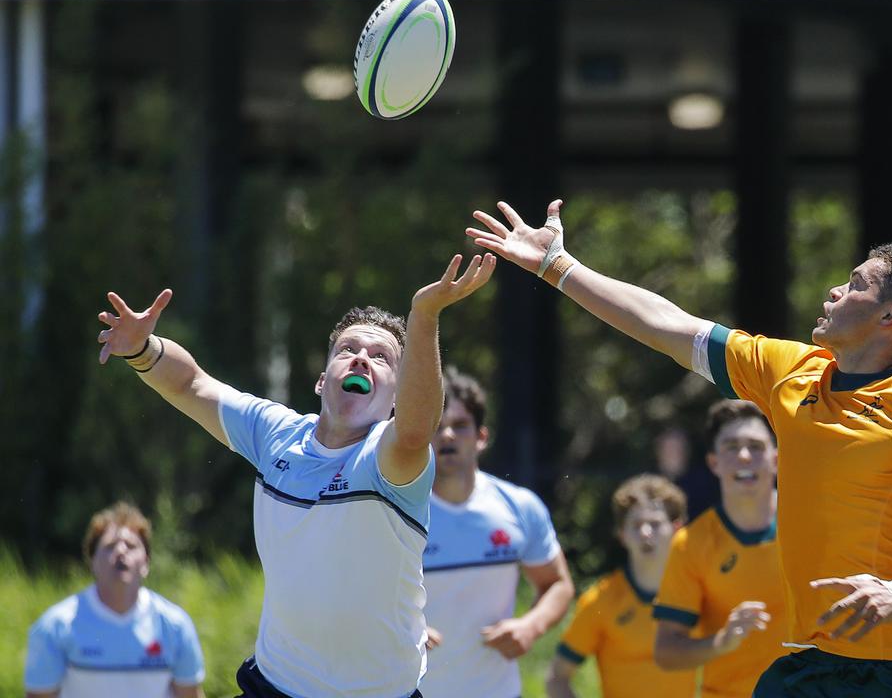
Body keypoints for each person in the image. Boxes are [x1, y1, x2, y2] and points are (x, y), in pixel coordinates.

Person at [469, 201, 892, 696]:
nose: (835, 289)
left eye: (856, 283)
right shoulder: (794, 372)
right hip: (808, 663)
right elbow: (666, 325)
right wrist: (556, 266)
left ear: (891, 317)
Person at [94, 253, 495, 698]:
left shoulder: (390, 458)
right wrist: (142, 349)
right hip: (275, 686)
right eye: (348, 350)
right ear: (323, 381)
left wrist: (424, 315)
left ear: (398, 397)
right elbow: (192, 384)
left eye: (381, 357)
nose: (361, 359)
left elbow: (419, 427)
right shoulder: (276, 433)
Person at [418, 365, 574, 697]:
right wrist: (400, 629)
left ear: (481, 437)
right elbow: (356, 592)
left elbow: (557, 584)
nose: (447, 436)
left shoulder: (519, 506)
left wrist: (530, 626)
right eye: (437, 427)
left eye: (460, 426)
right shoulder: (397, 511)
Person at [652, 399, 787, 698]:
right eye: (731, 446)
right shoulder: (690, 544)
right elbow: (667, 651)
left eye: (755, 446)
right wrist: (721, 641)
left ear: (776, 459)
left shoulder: (813, 523)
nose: (743, 455)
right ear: (714, 462)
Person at [24, 502, 205, 698]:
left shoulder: (175, 625)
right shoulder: (55, 626)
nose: (120, 551)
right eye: (109, 546)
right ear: (92, 561)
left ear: (146, 563)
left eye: (131, 546)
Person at [547, 475, 696, 698]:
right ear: (622, 535)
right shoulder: (600, 600)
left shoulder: (698, 593)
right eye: (636, 525)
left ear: (676, 529)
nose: (646, 533)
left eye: (655, 524)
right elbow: (557, 678)